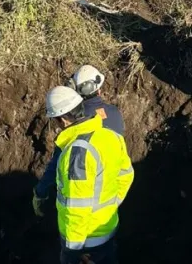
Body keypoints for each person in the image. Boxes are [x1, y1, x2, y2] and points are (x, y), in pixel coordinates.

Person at [42, 85, 134, 264]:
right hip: (106, 230)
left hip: (82, 243)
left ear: (62, 119)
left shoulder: (76, 153)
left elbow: (76, 207)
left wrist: (72, 251)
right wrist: (110, 207)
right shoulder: (109, 136)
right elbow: (126, 174)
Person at [32, 66, 124, 218]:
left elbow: (55, 167)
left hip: (82, 209)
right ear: (98, 89)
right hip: (110, 195)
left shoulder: (75, 126)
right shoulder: (115, 114)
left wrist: (40, 192)